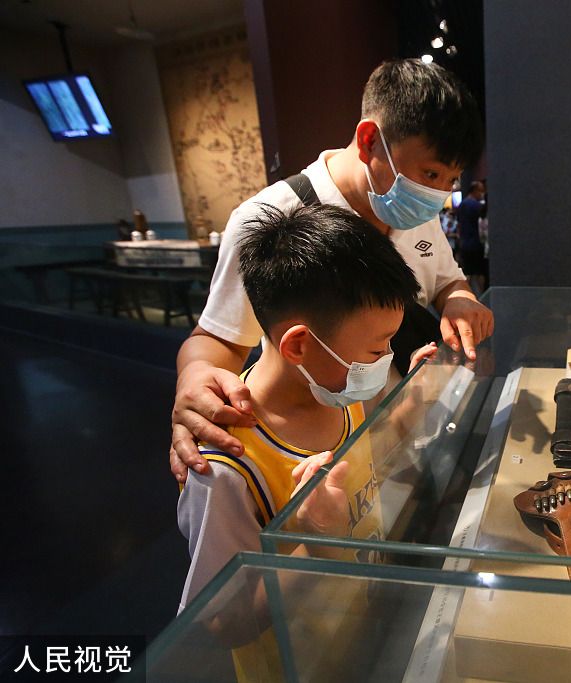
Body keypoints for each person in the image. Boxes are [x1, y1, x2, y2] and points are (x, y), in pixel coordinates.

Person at [170, 59, 493, 483]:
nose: (437, 195)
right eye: (430, 173)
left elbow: (446, 279)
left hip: (410, 432)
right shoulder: (270, 218)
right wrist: (193, 380)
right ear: (369, 140)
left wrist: (460, 299)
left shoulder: (416, 208)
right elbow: (218, 338)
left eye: (450, 180)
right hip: (325, 458)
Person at [178, 203, 435, 611]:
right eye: (376, 349)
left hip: (360, 620)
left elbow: (364, 466)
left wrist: (407, 411)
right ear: (298, 345)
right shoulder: (225, 464)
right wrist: (315, 546)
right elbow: (223, 619)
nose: (387, 358)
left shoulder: (339, 393)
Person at [456, 180, 488, 293]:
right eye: (481, 191)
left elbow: (459, 225)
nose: (482, 194)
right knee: (480, 273)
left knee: (468, 273)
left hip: (465, 243)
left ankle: (466, 294)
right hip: (476, 243)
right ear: (475, 190)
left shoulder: (462, 205)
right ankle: (483, 297)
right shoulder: (476, 206)